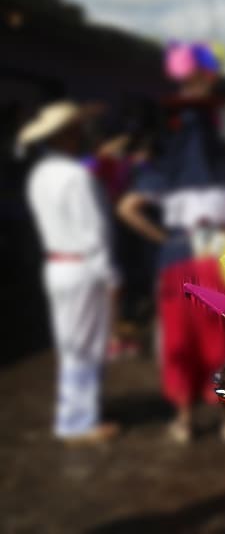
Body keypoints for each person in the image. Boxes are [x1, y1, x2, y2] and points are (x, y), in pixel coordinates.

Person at [117, 41, 225, 444]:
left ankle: (183, 419)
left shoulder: (165, 167)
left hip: (177, 258)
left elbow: (127, 208)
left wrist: (163, 236)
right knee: (224, 341)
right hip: (218, 259)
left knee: (181, 343)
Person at [19, 101, 120, 444]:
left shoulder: (39, 174)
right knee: (86, 345)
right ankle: (78, 420)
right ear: (66, 136)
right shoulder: (76, 177)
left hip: (57, 266)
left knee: (71, 343)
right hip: (82, 268)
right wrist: (111, 278)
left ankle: (76, 412)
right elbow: (95, 235)